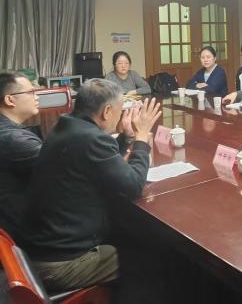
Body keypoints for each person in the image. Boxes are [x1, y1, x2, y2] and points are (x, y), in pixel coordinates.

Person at [21, 79, 161, 292]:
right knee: (154, 256)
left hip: (43, 247)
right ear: (107, 111)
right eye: (119, 110)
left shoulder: (67, 126)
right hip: (62, 263)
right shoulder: (89, 138)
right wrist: (141, 138)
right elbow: (133, 185)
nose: (120, 116)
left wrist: (126, 136)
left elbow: (98, 159)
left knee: (131, 236)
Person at [0, 72, 42, 237]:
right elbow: (63, 172)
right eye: (31, 92)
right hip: (23, 231)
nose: (37, 96)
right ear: (10, 100)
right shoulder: (15, 139)